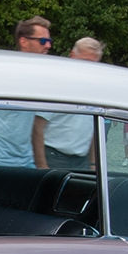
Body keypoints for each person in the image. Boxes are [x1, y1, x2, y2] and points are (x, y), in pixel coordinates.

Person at [0, 16, 52, 165]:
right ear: (23, 41)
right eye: (42, 41)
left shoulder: (40, 79)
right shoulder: (2, 74)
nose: (48, 46)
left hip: (25, 162)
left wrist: (42, 166)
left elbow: (36, 127)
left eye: (49, 41)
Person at [32, 37, 103, 169]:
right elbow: (37, 127)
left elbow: (94, 129)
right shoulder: (57, 86)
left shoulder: (95, 91)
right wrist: (41, 165)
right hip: (54, 157)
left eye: (94, 64)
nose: (88, 68)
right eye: (85, 61)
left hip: (82, 159)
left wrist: (94, 163)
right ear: (72, 55)